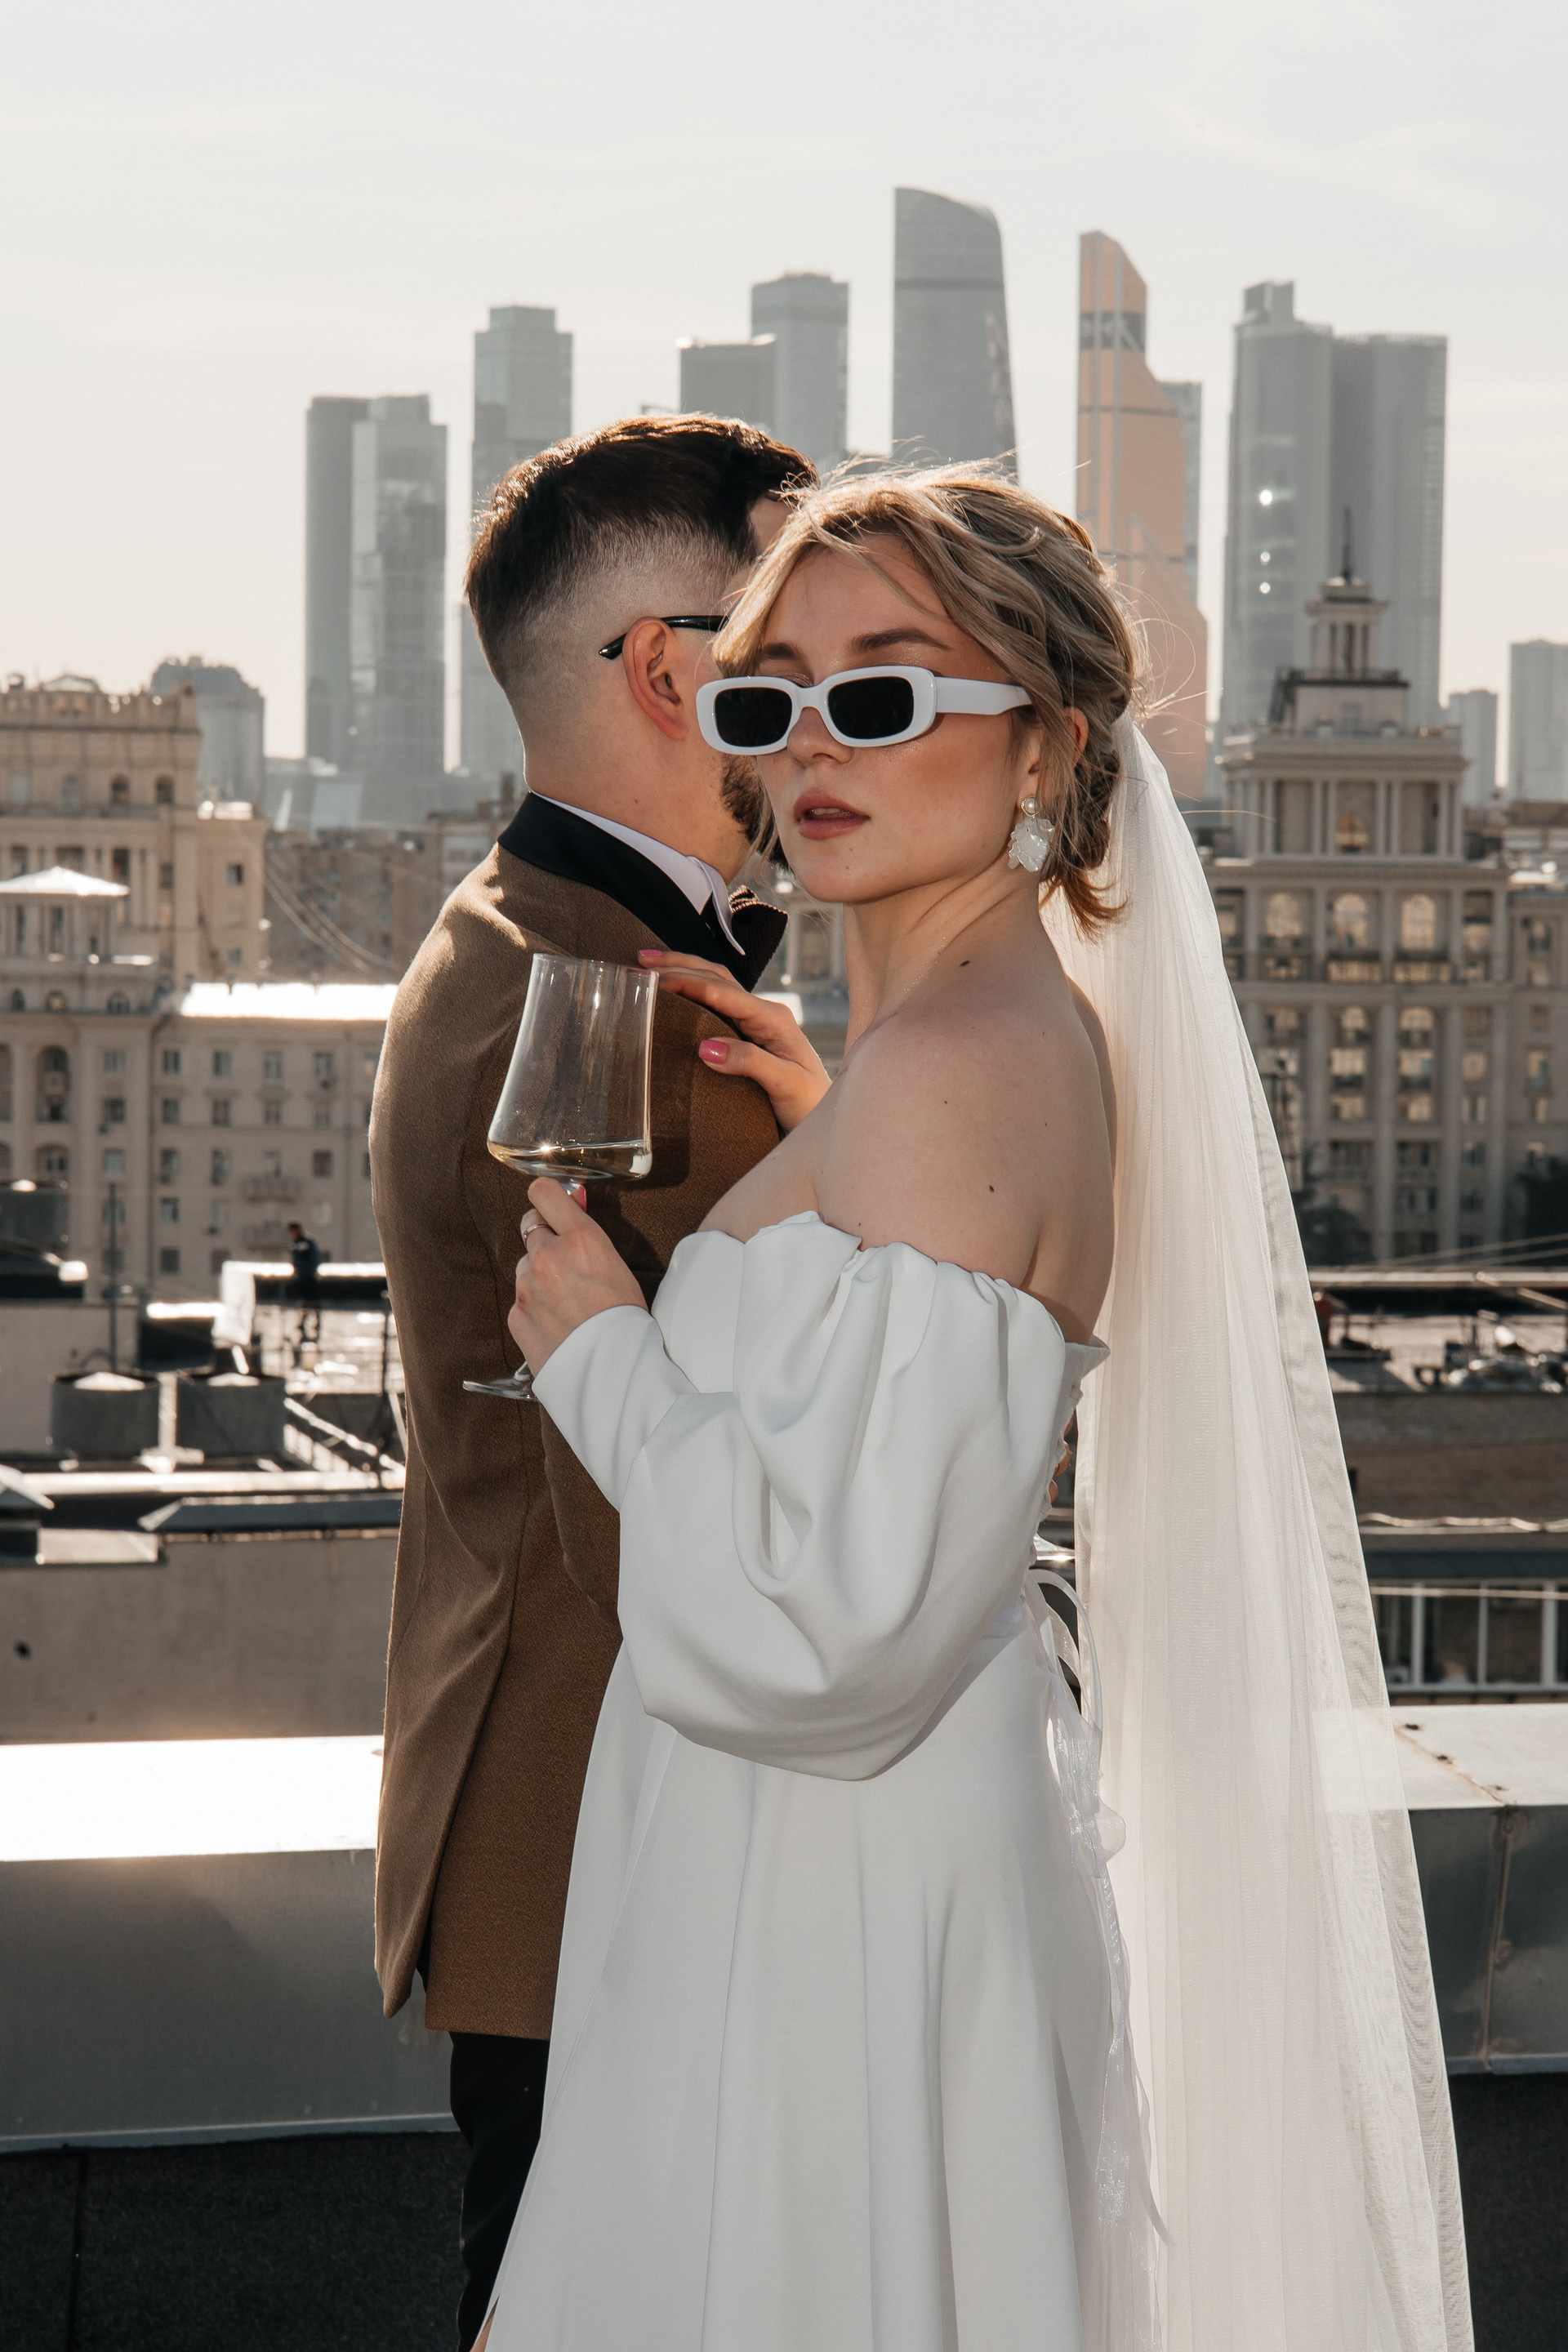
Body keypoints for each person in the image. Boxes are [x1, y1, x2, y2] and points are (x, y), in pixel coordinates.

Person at [479, 470, 1472, 2350]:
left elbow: (837, 1637)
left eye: (883, 691)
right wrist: (820, 1139)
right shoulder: (974, 1037)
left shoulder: (950, 1062)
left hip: (825, 1891)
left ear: (1046, 744)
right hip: (859, 1859)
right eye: (769, 694)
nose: (811, 744)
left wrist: (603, 1354)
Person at [370, 413, 816, 2351]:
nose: (834, 696)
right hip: (628, 1846)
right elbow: (640, 1491)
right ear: (669, 671)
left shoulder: (527, 934)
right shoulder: (599, 1009)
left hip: (572, 1827)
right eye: (797, 640)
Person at [285, 1220, 322, 1347]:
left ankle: (314, 1322)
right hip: (302, 1276)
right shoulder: (299, 1243)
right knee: (305, 1301)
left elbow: (310, 1260)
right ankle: (304, 1322)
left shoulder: (305, 1243)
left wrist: (305, 1271)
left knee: (311, 1301)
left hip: (308, 1277)